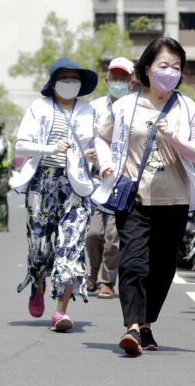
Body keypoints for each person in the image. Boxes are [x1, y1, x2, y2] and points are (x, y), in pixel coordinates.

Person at [92, 37, 195, 355]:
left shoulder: (187, 108)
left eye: (176, 66)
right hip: (134, 197)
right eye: (164, 65)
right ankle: (131, 326)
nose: (170, 71)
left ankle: (146, 324)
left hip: (174, 200)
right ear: (147, 69)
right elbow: (102, 138)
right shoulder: (125, 106)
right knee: (134, 263)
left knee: (162, 268)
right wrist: (105, 166)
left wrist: (174, 137)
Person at [10, 57, 98, 332]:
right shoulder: (39, 108)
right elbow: (21, 145)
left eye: (75, 78)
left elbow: (98, 147)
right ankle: (37, 282)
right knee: (39, 248)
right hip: (42, 183)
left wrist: (94, 157)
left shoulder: (89, 112)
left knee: (71, 246)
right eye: (65, 77)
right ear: (54, 82)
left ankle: (61, 311)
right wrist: (50, 148)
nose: (70, 82)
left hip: (76, 186)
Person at [86, 57, 135, 300]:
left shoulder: (137, 109)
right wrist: (89, 154)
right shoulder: (94, 108)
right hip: (97, 180)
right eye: (114, 78)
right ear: (107, 80)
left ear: (132, 82)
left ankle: (107, 281)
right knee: (93, 233)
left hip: (123, 180)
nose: (118, 82)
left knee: (113, 237)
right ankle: (93, 271)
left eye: (123, 78)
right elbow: (83, 141)